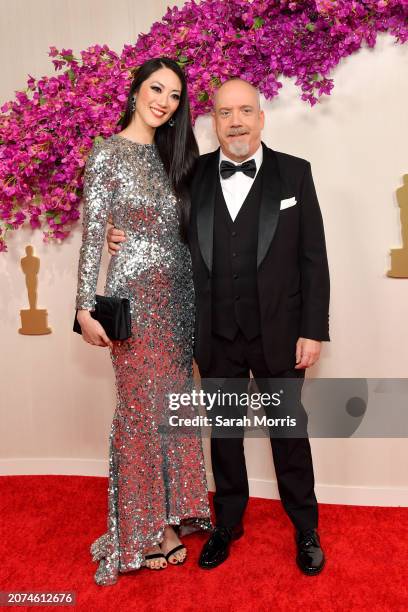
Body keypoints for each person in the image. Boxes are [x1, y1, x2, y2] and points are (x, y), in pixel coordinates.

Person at [107, 77, 330, 576]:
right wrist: (117, 234)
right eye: (225, 113)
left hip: (280, 332)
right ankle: (227, 523)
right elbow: (160, 230)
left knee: (288, 434)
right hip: (216, 335)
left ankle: (306, 526)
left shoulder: (295, 174)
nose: (236, 122)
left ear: (260, 117)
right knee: (225, 437)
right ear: (213, 120)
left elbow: (314, 259)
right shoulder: (192, 176)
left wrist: (313, 330)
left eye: (245, 111)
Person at [75, 57, 212, 587]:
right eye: (157, 89)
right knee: (138, 408)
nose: (164, 101)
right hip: (132, 298)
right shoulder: (106, 153)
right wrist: (84, 306)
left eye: (175, 96)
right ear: (135, 90)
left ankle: (173, 515)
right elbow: (93, 234)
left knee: (175, 407)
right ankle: (142, 526)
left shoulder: (178, 156)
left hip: (181, 300)